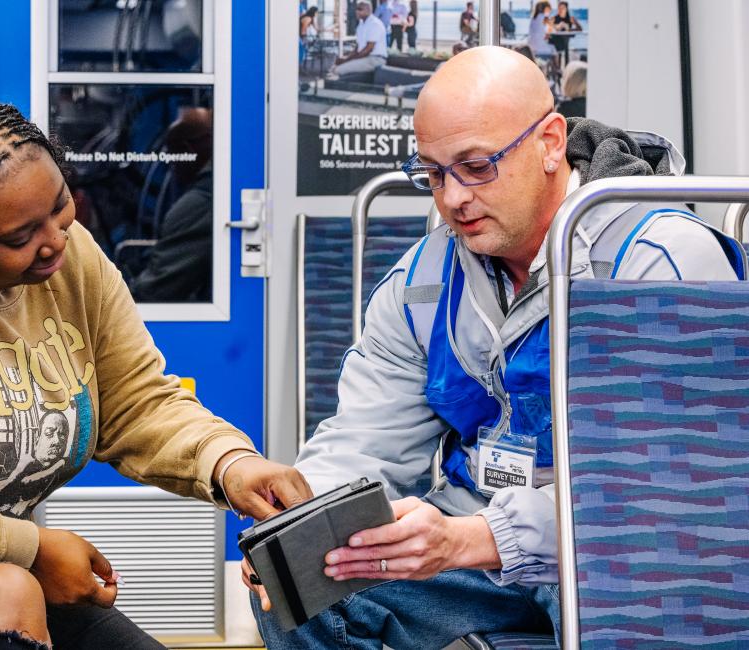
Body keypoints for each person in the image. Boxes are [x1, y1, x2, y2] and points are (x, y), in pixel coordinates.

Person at [247, 46, 743, 649]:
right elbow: (366, 439)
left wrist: (481, 536)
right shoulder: (424, 280)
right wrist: (299, 526)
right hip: (476, 552)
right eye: (432, 173)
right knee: (305, 587)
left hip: (612, 559)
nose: (453, 198)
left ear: (551, 142)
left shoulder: (659, 263)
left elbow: (670, 494)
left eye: (476, 166)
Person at [0, 92, 314, 650]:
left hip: (0, 563)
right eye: (19, 238)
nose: (55, 243)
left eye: (61, 206)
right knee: (7, 591)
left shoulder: (69, 255)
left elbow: (135, 401)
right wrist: (30, 548)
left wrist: (230, 463)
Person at [130, 107, 214, 302]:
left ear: (188, 151)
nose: (171, 169)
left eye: (173, 157)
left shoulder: (199, 204)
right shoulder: (219, 190)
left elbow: (156, 290)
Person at [328, 1, 387, 80]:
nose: (357, 11)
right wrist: (346, 58)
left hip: (375, 59)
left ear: (368, 10)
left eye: (360, 9)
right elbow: (358, 48)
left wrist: (347, 60)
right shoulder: (361, 24)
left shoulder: (375, 24)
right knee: (333, 67)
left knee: (337, 70)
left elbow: (368, 49)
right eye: (356, 9)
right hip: (366, 58)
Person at [549, 1, 582, 68]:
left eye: (562, 8)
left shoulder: (570, 18)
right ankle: (559, 70)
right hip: (555, 41)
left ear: (566, 9)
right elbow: (549, 28)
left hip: (565, 41)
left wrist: (570, 29)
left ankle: (565, 68)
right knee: (560, 47)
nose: (560, 10)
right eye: (559, 8)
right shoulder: (554, 18)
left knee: (565, 42)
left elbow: (580, 29)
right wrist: (557, 26)